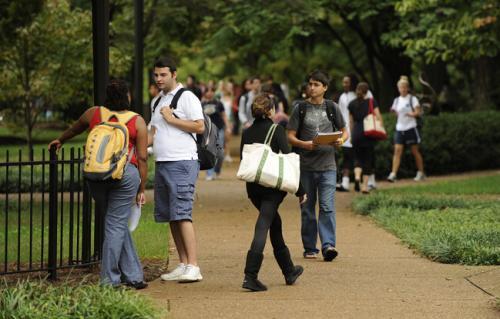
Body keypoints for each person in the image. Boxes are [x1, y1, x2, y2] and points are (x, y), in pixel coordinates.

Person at [48, 79, 148, 289]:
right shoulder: (137, 121)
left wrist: (60, 140)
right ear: (127, 97)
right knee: (115, 223)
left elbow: (75, 129)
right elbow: (142, 158)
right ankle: (109, 280)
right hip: (124, 175)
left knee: (115, 222)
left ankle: (134, 275)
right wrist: (141, 187)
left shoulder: (94, 113)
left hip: (95, 176)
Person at [240, 93, 306, 292]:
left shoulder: (247, 132)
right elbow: (287, 160)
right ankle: (250, 276)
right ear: (271, 111)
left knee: (274, 223)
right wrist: (301, 191)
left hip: (253, 188)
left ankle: (289, 270)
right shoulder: (277, 129)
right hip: (271, 188)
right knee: (263, 225)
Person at [149, 57, 205, 282]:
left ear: (174, 74)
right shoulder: (156, 101)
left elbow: (199, 126)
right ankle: (182, 264)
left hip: (182, 161)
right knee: (170, 215)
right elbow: (153, 133)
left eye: (163, 74)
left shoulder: (187, 97)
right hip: (162, 162)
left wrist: (171, 118)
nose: (159, 79)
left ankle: (194, 266)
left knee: (182, 213)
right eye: (156, 75)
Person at [287, 70, 348, 261]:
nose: (311, 87)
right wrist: (303, 144)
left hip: (328, 166)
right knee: (307, 208)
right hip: (305, 166)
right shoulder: (300, 108)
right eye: (310, 84)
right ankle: (310, 247)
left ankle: (328, 245)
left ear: (325, 87)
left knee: (327, 207)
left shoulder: (332, 107)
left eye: (316, 84)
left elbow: (344, 130)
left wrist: (341, 140)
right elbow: (290, 135)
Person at [387, 76, 426, 182]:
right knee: (397, 151)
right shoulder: (396, 100)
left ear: (407, 88)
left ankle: (421, 172)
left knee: (414, 151)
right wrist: (394, 112)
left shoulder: (412, 99)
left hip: (411, 128)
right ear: (398, 89)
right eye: (401, 88)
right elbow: (395, 113)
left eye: (404, 87)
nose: (403, 89)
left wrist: (411, 114)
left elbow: (418, 112)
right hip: (400, 128)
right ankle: (393, 173)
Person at [348, 82, 383, 193]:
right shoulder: (371, 102)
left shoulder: (351, 104)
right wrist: (381, 126)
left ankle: (357, 177)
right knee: (367, 159)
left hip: (356, 133)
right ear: (367, 92)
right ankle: (364, 186)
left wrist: (351, 135)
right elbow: (378, 116)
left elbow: (350, 122)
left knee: (358, 158)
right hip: (368, 133)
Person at [201, 85, 230, 180]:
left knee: (220, 153)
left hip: (219, 129)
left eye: (211, 91)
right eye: (207, 91)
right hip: (207, 131)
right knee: (209, 151)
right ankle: (209, 173)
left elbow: (224, 116)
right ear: (205, 93)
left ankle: (217, 171)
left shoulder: (219, 103)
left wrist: (228, 127)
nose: (209, 93)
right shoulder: (201, 104)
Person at [336, 74, 359, 191]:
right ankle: (345, 183)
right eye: (343, 82)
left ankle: (360, 181)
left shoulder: (357, 95)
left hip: (357, 130)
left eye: (347, 82)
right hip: (345, 131)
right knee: (346, 157)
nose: (344, 84)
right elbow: (339, 114)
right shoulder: (342, 97)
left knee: (358, 157)